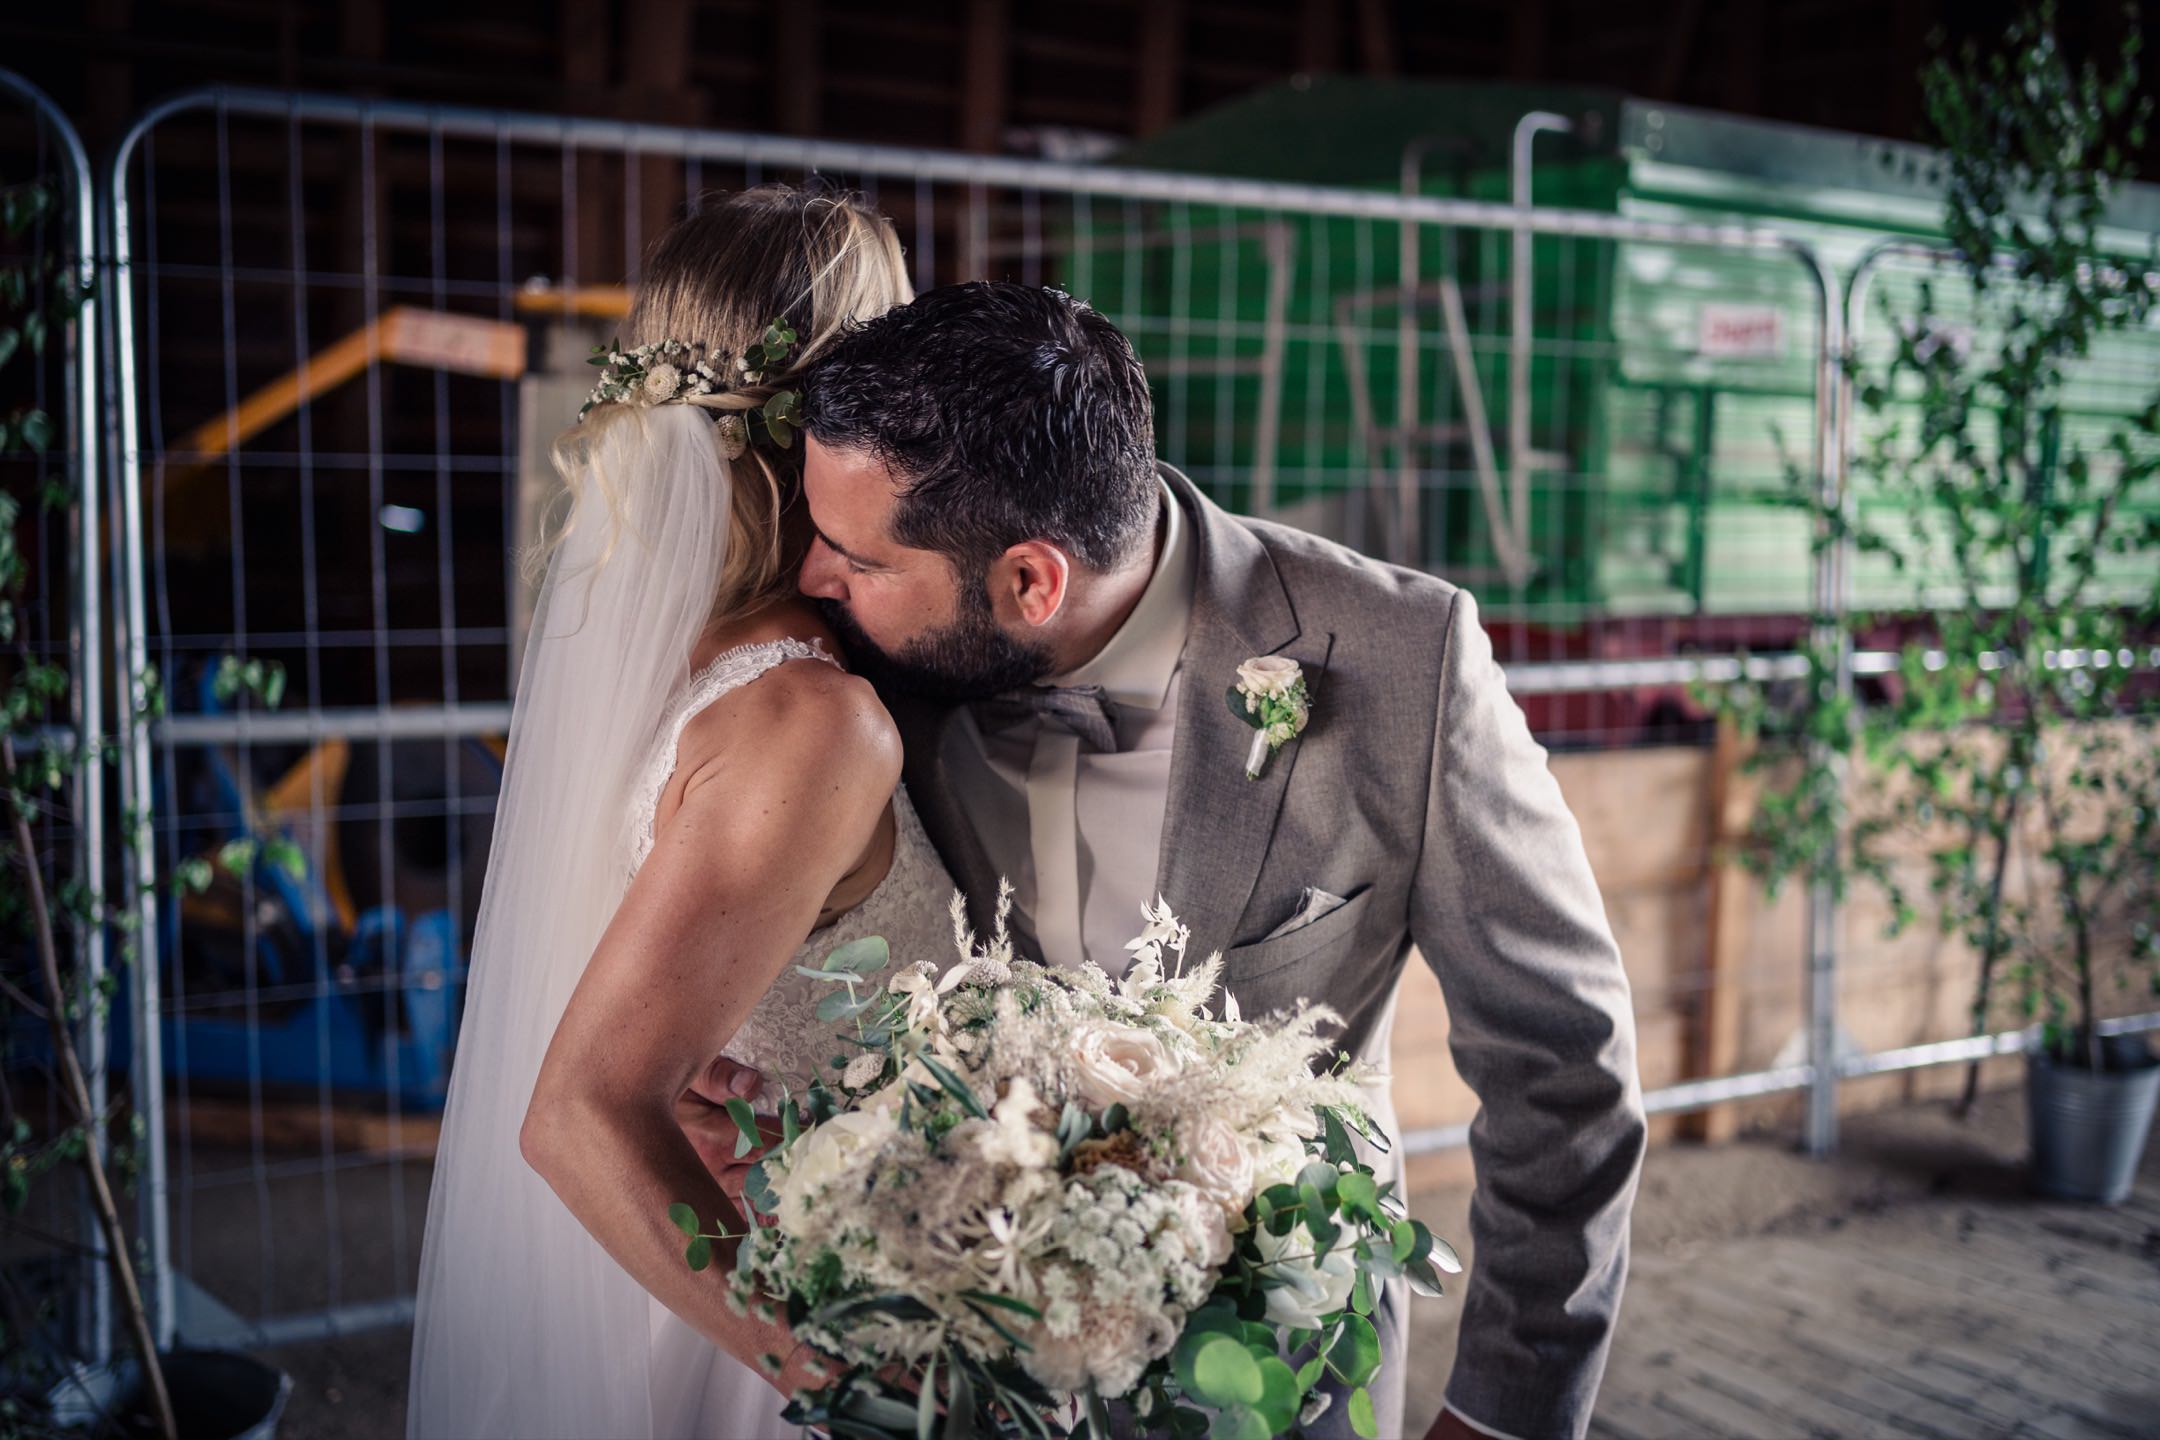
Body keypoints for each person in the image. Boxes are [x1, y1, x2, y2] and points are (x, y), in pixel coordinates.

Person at [708, 280, 1647, 1440]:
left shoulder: (1409, 664)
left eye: (854, 555)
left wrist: (1506, 1417)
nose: (812, 579)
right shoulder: (847, 687)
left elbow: (1563, 1068)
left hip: (1281, 1389)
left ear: (1030, 581)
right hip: (938, 1388)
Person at [404, 186, 959, 1440]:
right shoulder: (807, 719)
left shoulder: (669, 656)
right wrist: (857, 1390)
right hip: (774, 1328)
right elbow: (580, 1113)